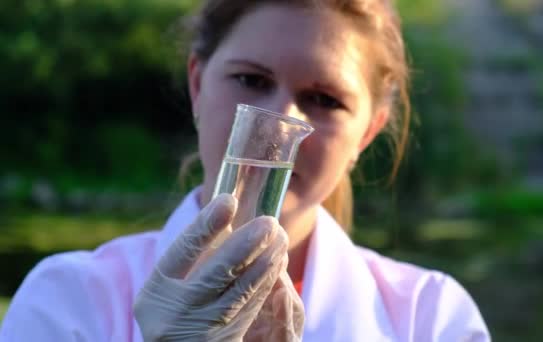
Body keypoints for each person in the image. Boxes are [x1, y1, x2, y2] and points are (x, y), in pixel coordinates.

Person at [1, 0, 491, 341]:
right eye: (251, 80)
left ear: (367, 132)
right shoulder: (70, 301)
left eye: (324, 100)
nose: (280, 123)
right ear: (198, 86)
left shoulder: (430, 319)